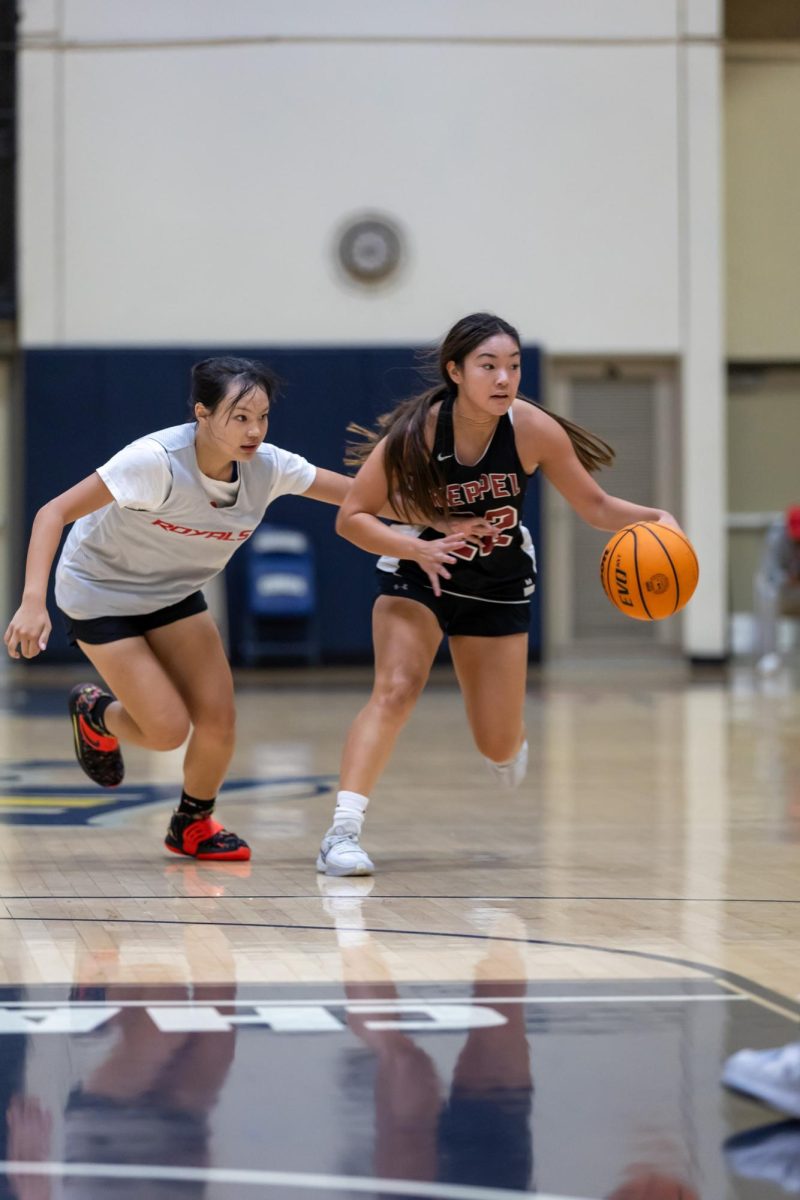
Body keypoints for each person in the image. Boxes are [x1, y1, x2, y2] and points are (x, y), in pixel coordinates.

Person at [316, 312, 682, 876]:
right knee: (395, 689)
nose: (504, 379)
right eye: (488, 366)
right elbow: (352, 517)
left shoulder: (531, 429)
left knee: (497, 743)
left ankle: (508, 744)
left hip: (499, 580)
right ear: (456, 371)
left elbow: (597, 508)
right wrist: (416, 549)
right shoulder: (415, 435)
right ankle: (342, 833)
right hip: (421, 568)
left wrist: (657, 517)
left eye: (512, 366)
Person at [3, 356, 358, 863]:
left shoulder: (269, 467)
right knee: (167, 731)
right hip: (99, 590)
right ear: (203, 414)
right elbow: (52, 513)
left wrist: (445, 515)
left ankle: (192, 824)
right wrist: (32, 601)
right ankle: (95, 713)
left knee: (219, 718)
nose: (254, 430)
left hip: (173, 592)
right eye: (240, 417)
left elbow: (356, 497)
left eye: (262, 417)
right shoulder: (154, 461)